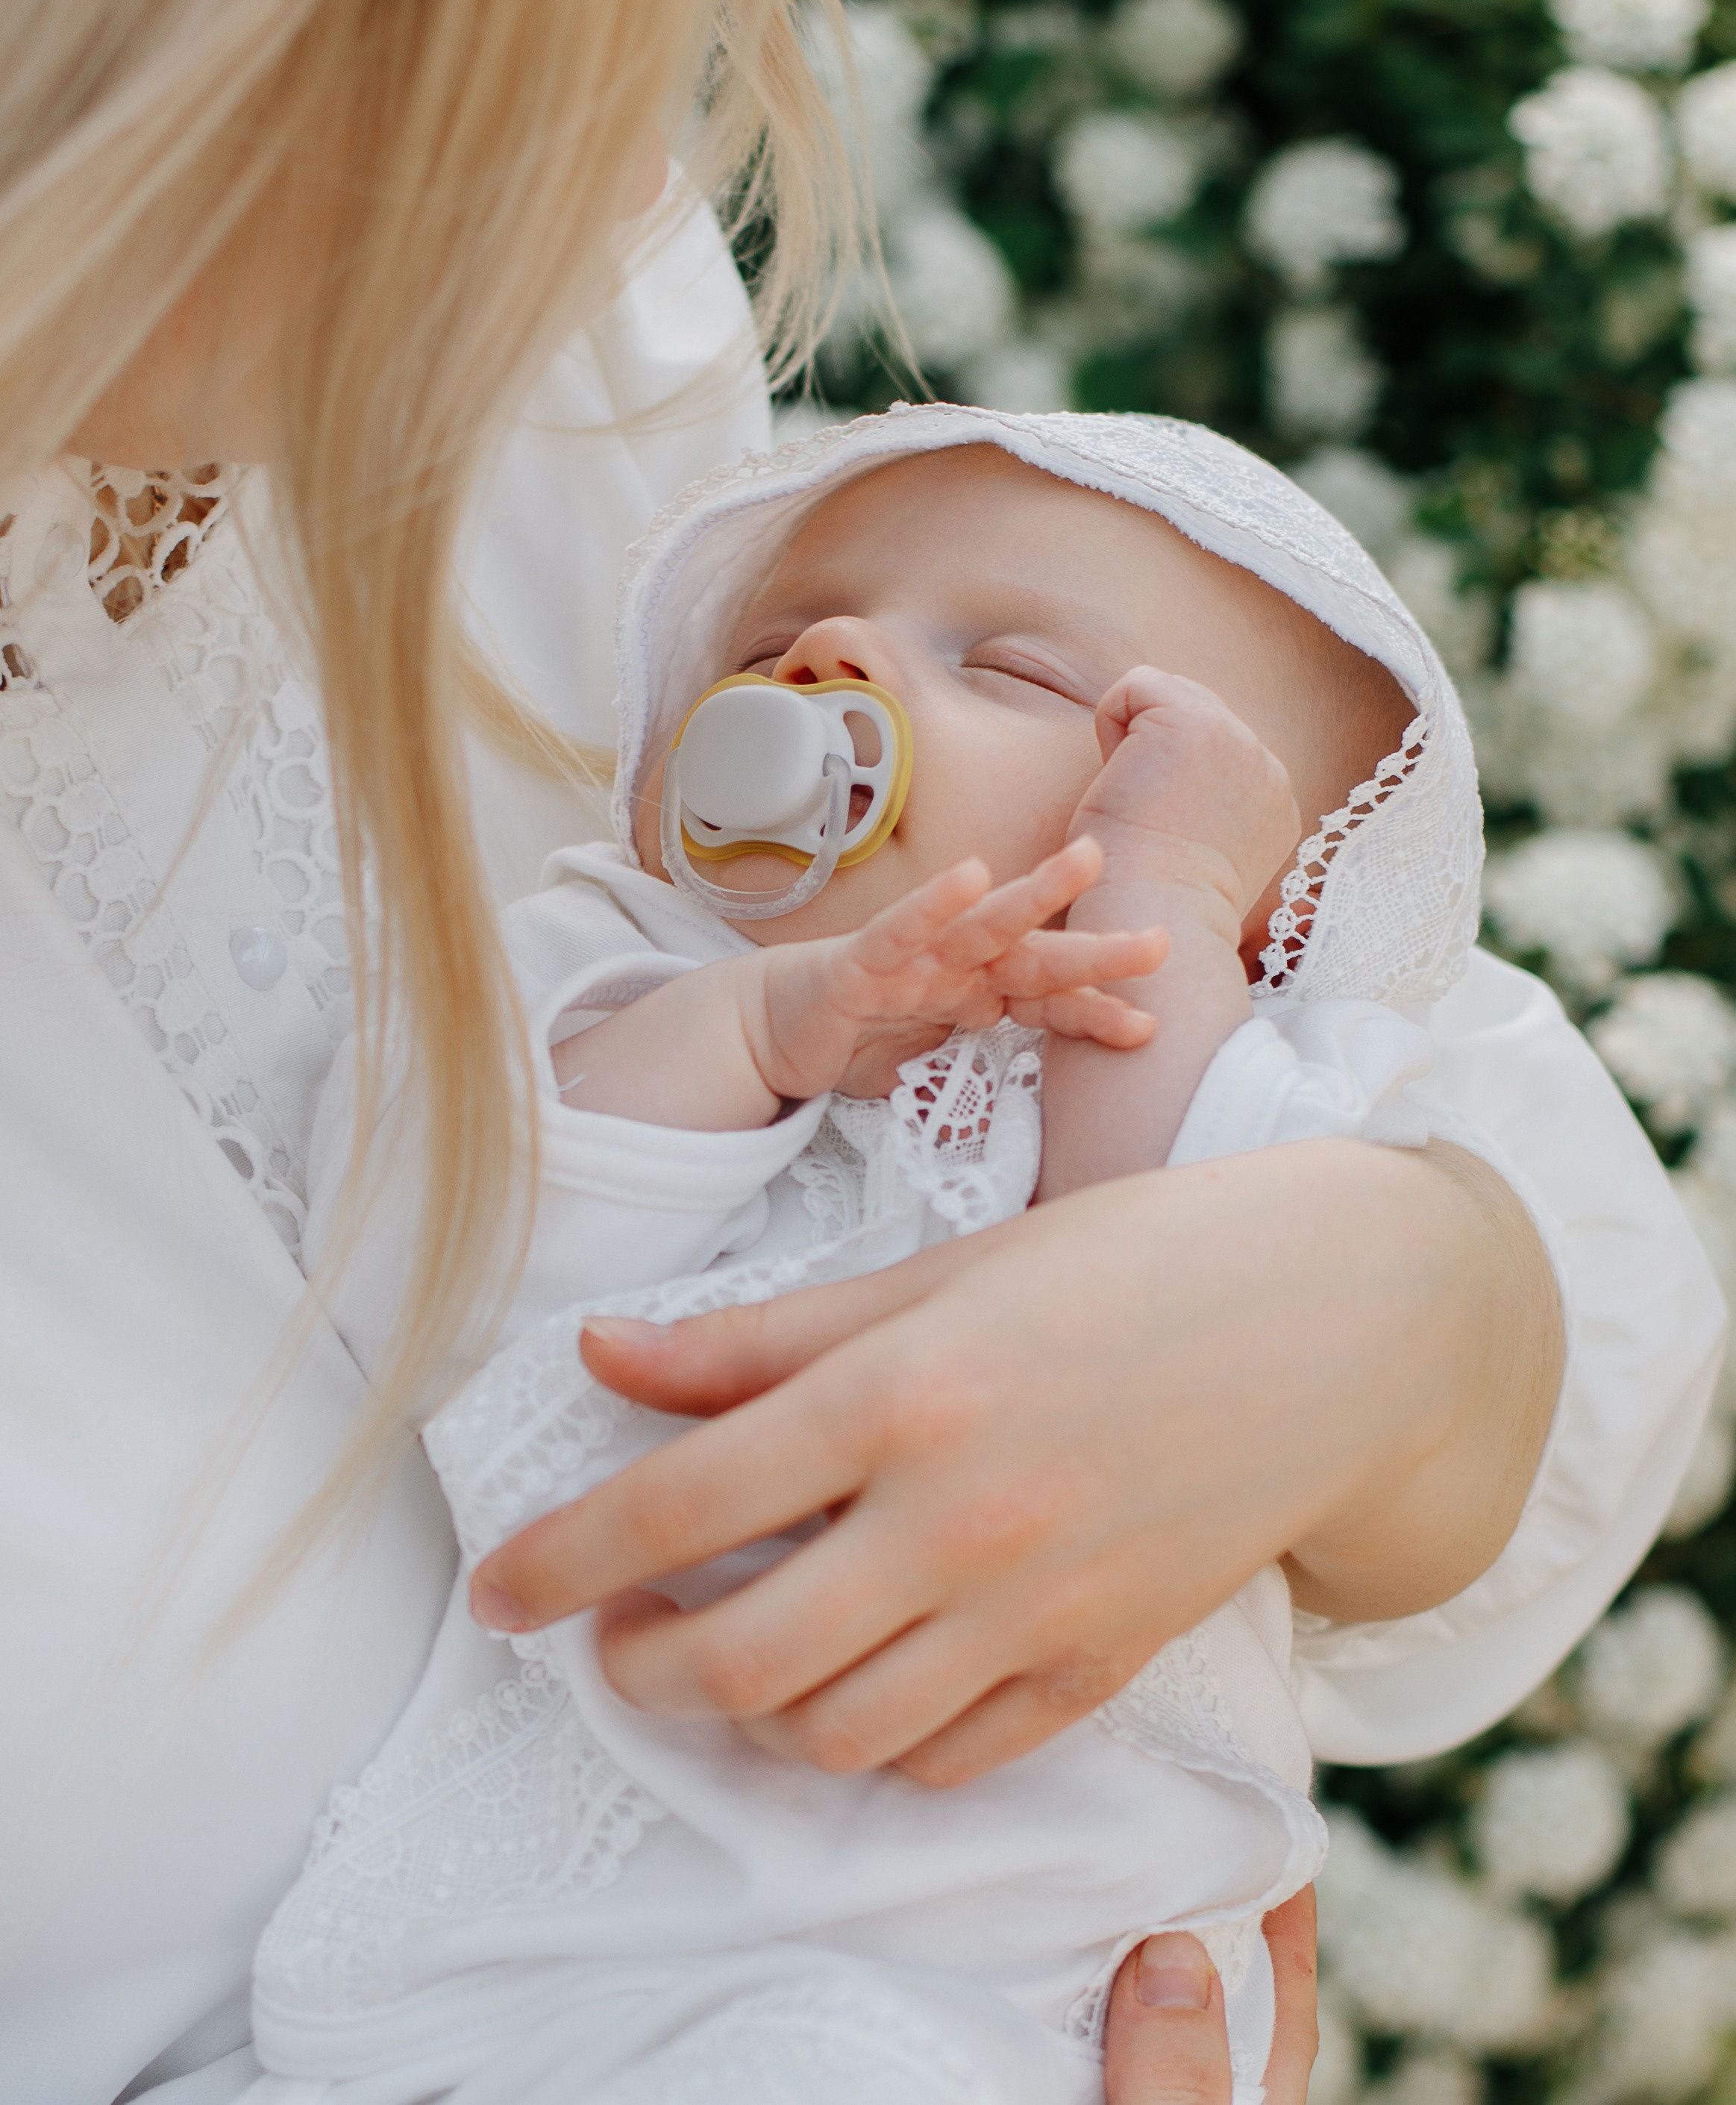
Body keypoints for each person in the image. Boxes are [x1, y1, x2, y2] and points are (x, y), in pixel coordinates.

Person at [0, 0, 1719, 2102]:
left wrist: (1395, 1300)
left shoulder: (540, 355)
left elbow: (1425, 1160)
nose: (604, 162)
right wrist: (786, 1032)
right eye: (478, 38)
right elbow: (554, 1155)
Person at [245, 408, 1487, 2104]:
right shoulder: (610, 968)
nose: (831, 650)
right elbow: (429, 1251)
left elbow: (1184, 1271)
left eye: (1018, 671)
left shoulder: (1258, 1077)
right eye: (771, 641)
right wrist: (755, 1029)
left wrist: (1156, 909)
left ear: (1265, 899)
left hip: (1052, 1966)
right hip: (608, 1952)